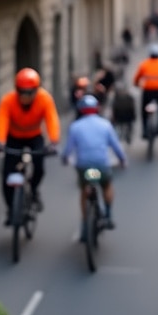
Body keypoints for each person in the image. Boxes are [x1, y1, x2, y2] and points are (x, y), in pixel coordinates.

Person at [0, 67, 61, 224]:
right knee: (7, 174)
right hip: (14, 137)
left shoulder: (45, 99)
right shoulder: (8, 100)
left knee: (39, 168)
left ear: (36, 90)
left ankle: (34, 189)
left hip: (34, 136)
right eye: (21, 92)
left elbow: (51, 119)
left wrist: (53, 141)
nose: (25, 97)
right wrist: (0, 141)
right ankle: (11, 209)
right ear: (16, 90)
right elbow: (2, 119)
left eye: (29, 93)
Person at [61, 95, 128, 241]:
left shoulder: (75, 126)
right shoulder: (105, 125)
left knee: (84, 191)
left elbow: (68, 149)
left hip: (84, 167)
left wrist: (64, 159)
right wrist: (122, 160)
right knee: (106, 185)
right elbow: (116, 146)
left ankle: (85, 225)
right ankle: (108, 215)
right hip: (101, 166)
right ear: (97, 109)